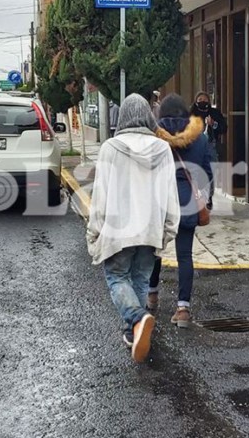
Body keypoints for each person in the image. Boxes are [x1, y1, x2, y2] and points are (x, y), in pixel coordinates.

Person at [86, 93, 181, 362]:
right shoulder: (162, 149)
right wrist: (169, 228)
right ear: (149, 117)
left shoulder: (110, 148)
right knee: (140, 279)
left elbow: (101, 195)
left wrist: (94, 231)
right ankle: (133, 332)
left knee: (117, 278)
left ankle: (138, 319)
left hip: (118, 230)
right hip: (150, 228)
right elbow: (169, 193)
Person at [148, 94, 213, 328]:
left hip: (159, 201)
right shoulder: (201, 138)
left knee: (154, 250)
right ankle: (183, 308)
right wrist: (206, 199)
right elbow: (207, 172)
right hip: (187, 203)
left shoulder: (153, 136)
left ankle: (152, 295)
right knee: (184, 255)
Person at [190, 92, 227, 209]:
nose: (202, 101)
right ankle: (195, 196)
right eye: (200, 99)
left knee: (211, 171)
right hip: (194, 145)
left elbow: (224, 128)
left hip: (210, 145)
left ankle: (208, 196)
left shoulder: (214, 113)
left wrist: (213, 124)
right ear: (196, 101)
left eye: (205, 99)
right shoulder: (191, 113)